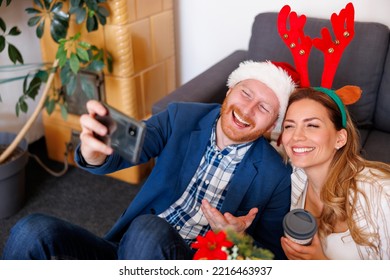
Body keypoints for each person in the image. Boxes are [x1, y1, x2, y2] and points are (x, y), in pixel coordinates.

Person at [2, 60, 296, 260]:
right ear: (230, 90)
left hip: (193, 261)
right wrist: (93, 154)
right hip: (129, 251)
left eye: (264, 108)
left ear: (272, 125)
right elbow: (135, 145)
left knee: (148, 228)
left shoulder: (277, 176)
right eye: (245, 93)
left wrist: (236, 238)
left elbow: (272, 256)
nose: (247, 109)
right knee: (33, 231)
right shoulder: (181, 116)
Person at [280, 87, 390, 260]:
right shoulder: (295, 175)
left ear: (340, 139)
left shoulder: (382, 194)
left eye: (312, 125)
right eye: (289, 126)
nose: (296, 136)